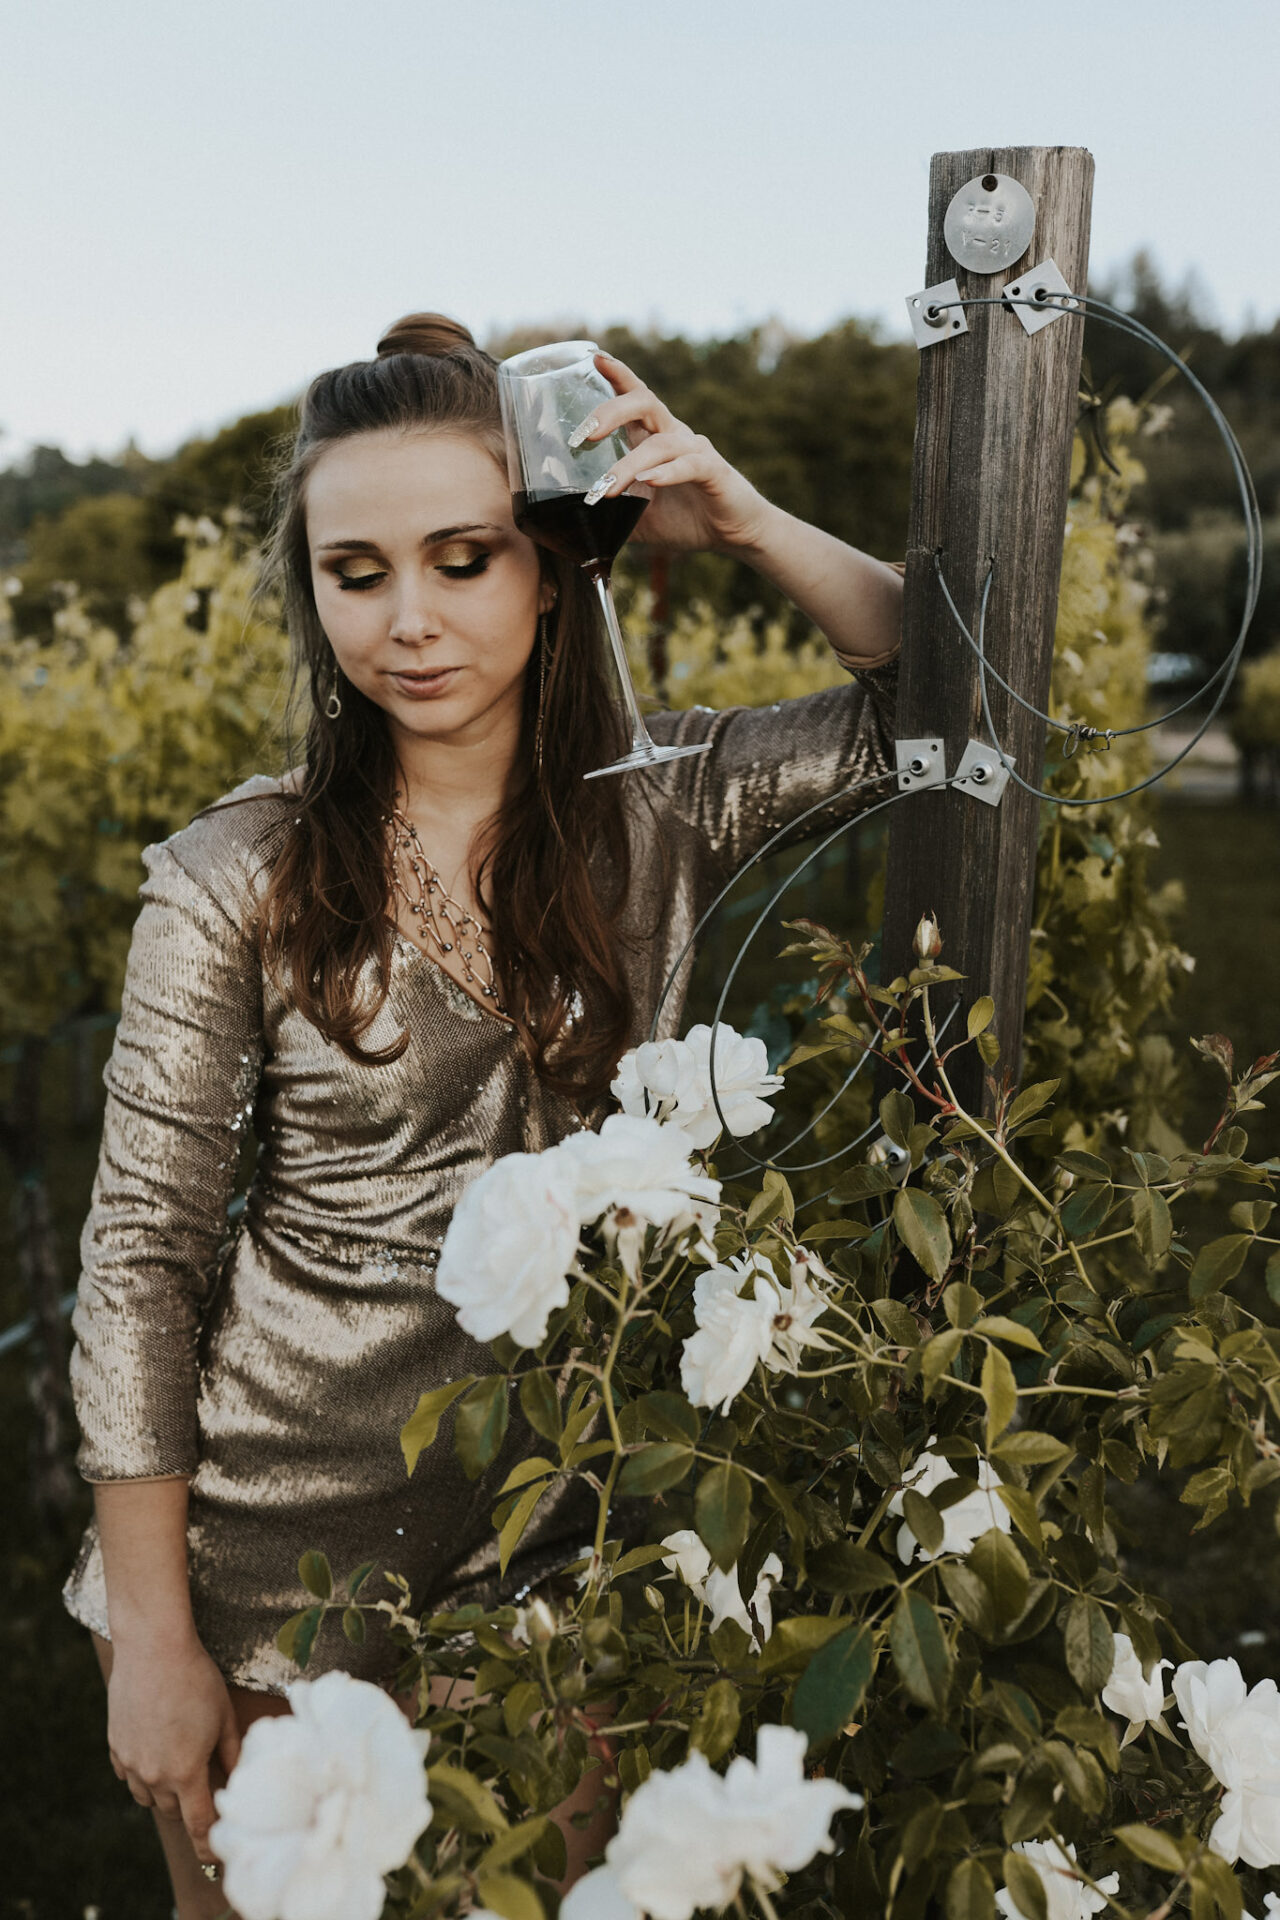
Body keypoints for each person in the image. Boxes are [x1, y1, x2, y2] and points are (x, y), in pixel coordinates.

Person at [60, 312, 904, 1914]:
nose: (410, 620)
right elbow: (142, 1265)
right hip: (269, 1558)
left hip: (562, 1532)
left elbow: (946, 697)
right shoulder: (233, 878)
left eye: (463, 557)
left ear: (551, 562)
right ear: (312, 591)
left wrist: (734, 512)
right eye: (357, 572)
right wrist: (157, 1638)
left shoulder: (657, 803)